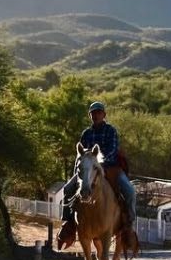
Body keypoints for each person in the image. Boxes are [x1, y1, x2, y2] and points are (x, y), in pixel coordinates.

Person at [56, 101, 137, 248]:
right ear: (90, 116)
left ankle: (129, 226)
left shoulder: (111, 131)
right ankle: (68, 223)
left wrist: (98, 163)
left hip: (110, 168)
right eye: (93, 113)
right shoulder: (86, 134)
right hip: (88, 170)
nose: (96, 115)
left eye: (99, 113)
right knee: (67, 189)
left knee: (130, 192)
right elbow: (80, 156)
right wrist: (78, 172)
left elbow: (112, 150)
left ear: (104, 115)